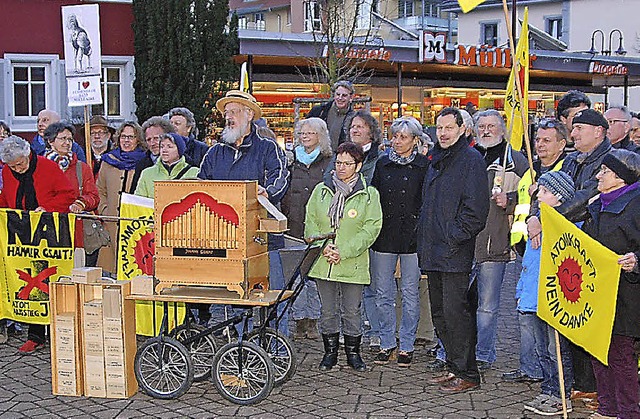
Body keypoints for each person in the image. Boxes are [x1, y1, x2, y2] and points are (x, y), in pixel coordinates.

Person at [528, 108, 611, 406]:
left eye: (579, 129)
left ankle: (594, 385)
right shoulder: (574, 160)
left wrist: (550, 216)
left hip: (591, 245)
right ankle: (580, 382)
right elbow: (550, 190)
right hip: (568, 248)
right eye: (572, 129)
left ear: (598, 132)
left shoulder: (608, 161)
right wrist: (536, 215)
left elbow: (584, 199)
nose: (573, 134)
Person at [198, 90, 289, 331]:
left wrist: (266, 192)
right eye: (226, 113)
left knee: (274, 295)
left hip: (265, 238)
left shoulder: (268, 149)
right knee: (237, 298)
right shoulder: (215, 153)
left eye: (234, 112)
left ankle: (278, 347)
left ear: (249, 115)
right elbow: (201, 185)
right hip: (227, 239)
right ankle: (242, 347)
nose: (229, 117)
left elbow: (280, 178)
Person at [417, 107, 489, 393]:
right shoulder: (435, 159)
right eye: (439, 127)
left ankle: (468, 373)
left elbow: (476, 211)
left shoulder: (471, 160)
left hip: (454, 252)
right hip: (432, 250)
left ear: (462, 129)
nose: (443, 133)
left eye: (449, 127)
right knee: (440, 314)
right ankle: (453, 365)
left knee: (456, 313)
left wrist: (453, 237)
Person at [305, 141, 382, 372]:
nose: (341, 168)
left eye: (347, 164)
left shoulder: (369, 194)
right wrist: (322, 246)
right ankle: (330, 354)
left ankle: (353, 354)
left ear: (358, 166)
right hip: (324, 260)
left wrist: (344, 250)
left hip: (353, 262)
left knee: (352, 311)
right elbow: (310, 222)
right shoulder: (321, 191)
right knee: (327, 311)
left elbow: (371, 228)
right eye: (338, 163)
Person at [504, 118, 567, 383]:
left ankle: (552, 378)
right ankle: (529, 367)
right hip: (525, 249)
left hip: (549, 254)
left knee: (545, 323)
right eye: (538, 140)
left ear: (562, 144)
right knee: (525, 315)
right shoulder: (531, 169)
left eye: (546, 140)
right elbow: (522, 202)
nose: (540, 145)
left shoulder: (565, 171)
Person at [0, 135, 76, 353]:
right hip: (23, 235)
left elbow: (68, 195)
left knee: (48, 279)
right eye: (13, 166)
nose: (18, 169)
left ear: (28, 154)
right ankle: (35, 335)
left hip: (50, 233)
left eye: (21, 164)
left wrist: (47, 208)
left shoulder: (48, 167)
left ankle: (57, 332)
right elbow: (7, 199)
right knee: (28, 283)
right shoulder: (8, 171)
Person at [582, 149, 640, 419]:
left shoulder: (637, 204)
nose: (598, 175)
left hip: (627, 291)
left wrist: (636, 260)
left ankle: (628, 411)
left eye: (604, 171)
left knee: (621, 354)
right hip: (598, 289)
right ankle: (607, 408)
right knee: (598, 349)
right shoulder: (597, 204)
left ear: (620, 177)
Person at [370, 117, 429, 368]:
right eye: (394, 136)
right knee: (382, 293)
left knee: (410, 293)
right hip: (384, 236)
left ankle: (407, 344)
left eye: (403, 137)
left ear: (415, 140)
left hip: (413, 238)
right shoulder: (382, 164)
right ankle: (386, 341)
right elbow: (373, 198)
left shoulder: (424, 165)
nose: (397, 141)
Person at [471, 109, 527, 370]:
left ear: (503, 129)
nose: (486, 130)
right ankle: (456, 351)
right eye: (481, 126)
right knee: (459, 303)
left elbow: (533, 197)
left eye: (492, 126)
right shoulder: (468, 158)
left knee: (488, 307)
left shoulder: (516, 161)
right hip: (464, 243)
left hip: (494, 244)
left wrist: (511, 201)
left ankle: (483, 354)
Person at [324, 110, 382, 347]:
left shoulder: (378, 159)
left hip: (364, 233)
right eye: (352, 127)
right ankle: (336, 341)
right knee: (334, 299)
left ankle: (373, 332)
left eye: (360, 126)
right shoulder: (336, 161)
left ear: (371, 131)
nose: (355, 130)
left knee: (368, 291)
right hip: (336, 238)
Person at [522, 171, 576, 416]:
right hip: (532, 295)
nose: (539, 196)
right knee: (542, 349)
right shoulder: (536, 220)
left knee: (557, 351)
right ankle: (548, 388)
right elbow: (528, 262)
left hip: (552, 298)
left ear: (560, 197)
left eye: (545, 192)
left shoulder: (566, 226)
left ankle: (562, 394)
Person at [280, 117, 332, 340]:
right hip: (293, 227)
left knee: (315, 277)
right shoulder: (291, 161)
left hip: (320, 230)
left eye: (310, 133)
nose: (305, 137)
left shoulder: (329, 162)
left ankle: (314, 320)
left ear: (320, 136)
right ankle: (300, 319)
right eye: (302, 133)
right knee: (296, 276)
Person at [43, 122, 100, 266]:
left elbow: (94, 196)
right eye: (62, 139)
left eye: (70, 139)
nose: (67, 143)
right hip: (45, 232)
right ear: (50, 141)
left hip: (74, 234)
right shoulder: (38, 166)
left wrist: (81, 203)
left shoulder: (82, 168)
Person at [96, 121, 147, 276]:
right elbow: (100, 190)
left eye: (131, 137)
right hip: (110, 223)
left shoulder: (144, 162)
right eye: (123, 136)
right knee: (108, 271)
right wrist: (104, 210)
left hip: (133, 225)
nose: (126, 141)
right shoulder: (108, 161)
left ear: (137, 140)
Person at [135, 133, 199, 198]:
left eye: (169, 146)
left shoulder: (194, 172)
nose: (164, 150)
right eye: (162, 146)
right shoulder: (147, 173)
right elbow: (139, 202)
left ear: (179, 150)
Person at [130, 116, 175, 193]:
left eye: (156, 138)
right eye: (149, 139)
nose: (152, 143)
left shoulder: (184, 161)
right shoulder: (142, 165)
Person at [307, 80, 356, 150]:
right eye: (338, 94)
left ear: (351, 98)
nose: (340, 98)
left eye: (344, 95)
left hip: (339, 157)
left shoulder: (353, 118)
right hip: (316, 156)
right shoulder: (319, 111)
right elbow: (304, 131)